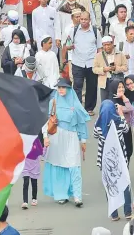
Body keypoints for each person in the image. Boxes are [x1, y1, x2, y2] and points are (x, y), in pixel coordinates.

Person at [42, 78, 90, 207]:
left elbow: (81, 122)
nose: (61, 89)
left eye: (64, 87)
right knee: (58, 165)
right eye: (59, 87)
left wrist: (83, 140)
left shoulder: (75, 103)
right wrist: (45, 136)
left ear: (69, 89)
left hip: (72, 137)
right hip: (56, 137)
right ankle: (61, 195)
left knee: (74, 165)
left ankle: (77, 196)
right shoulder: (53, 102)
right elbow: (47, 120)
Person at [94, 100, 132, 221]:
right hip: (119, 160)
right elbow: (126, 129)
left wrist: (99, 117)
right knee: (125, 184)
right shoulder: (119, 122)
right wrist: (120, 113)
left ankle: (114, 214)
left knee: (110, 185)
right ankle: (127, 212)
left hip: (106, 162)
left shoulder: (99, 126)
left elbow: (95, 135)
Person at [67, 11, 102, 115]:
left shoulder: (95, 31)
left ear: (89, 20)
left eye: (85, 19)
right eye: (81, 19)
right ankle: (78, 108)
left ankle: (89, 108)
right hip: (77, 62)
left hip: (91, 63)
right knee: (77, 85)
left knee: (92, 86)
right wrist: (70, 46)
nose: (83, 21)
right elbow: (67, 45)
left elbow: (99, 48)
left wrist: (99, 62)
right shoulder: (73, 30)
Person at [93, 36, 128, 101]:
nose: (107, 47)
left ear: (112, 44)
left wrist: (116, 68)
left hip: (117, 81)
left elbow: (125, 67)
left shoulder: (120, 54)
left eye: (108, 44)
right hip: (104, 82)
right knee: (104, 101)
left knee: (116, 101)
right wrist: (103, 69)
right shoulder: (98, 56)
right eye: (104, 45)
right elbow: (94, 69)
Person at [21, 137, 43, 209]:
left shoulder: (36, 140)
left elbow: (41, 151)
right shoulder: (24, 139)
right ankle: (25, 201)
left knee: (34, 183)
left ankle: (34, 198)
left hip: (34, 165)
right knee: (26, 182)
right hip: (26, 164)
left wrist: (46, 146)